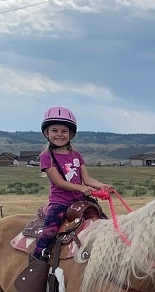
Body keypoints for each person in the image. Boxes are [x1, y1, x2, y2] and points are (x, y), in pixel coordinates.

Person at [30, 106, 113, 262]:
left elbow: (87, 179)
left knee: (104, 225)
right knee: (50, 231)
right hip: (60, 202)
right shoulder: (46, 157)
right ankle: (37, 258)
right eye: (55, 130)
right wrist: (82, 188)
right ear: (47, 133)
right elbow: (59, 182)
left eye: (64, 131)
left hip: (81, 202)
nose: (59, 134)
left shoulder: (76, 156)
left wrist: (102, 186)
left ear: (71, 134)